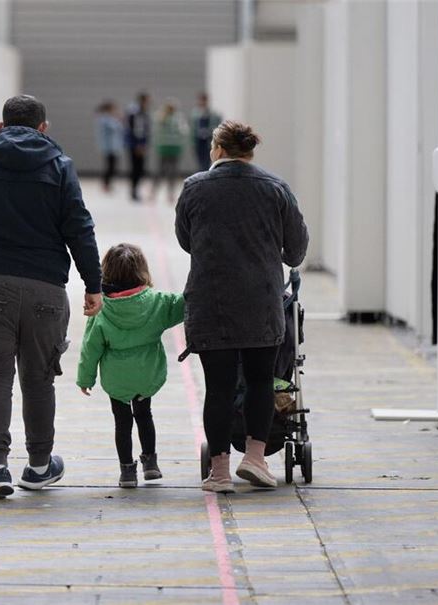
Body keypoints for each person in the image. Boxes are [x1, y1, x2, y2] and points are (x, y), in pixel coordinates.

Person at [0, 94, 103, 499]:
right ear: (43, 128)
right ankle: (40, 466)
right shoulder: (59, 166)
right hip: (45, 288)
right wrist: (93, 285)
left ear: (0, 126)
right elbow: (79, 228)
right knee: (38, 379)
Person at [175, 121, 309, 493]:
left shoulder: (194, 188)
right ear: (250, 151)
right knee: (260, 381)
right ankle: (255, 458)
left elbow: (186, 240)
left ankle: (218, 472)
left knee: (218, 387)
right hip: (261, 301)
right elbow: (296, 250)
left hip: (210, 301)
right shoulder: (276, 189)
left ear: (217, 148)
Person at [76, 244, 184, 488]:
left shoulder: (102, 309)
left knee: (122, 422)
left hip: (117, 378)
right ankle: (151, 463)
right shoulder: (157, 301)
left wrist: (85, 379)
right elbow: (183, 304)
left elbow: (90, 348)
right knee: (145, 415)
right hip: (147, 373)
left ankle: (126, 471)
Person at [150, 99, 188, 203]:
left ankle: (158, 192)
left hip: (168, 147)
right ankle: (163, 193)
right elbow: (184, 131)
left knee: (164, 171)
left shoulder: (162, 117)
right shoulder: (174, 118)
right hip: (171, 147)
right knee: (168, 171)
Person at [125, 92, 151, 202]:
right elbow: (134, 130)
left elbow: (146, 131)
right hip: (134, 145)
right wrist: (137, 145)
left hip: (141, 145)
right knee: (135, 168)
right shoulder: (134, 113)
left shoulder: (145, 113)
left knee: (140, 169)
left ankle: (136, 189)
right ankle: (133, 190)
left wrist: (144, 144)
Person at [94, 100, 124, 192]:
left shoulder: (108, 118)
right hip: (109, 147)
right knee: (110, 166)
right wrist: (118, 119)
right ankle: (106, 184)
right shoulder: (105, 118)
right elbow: (116, 127)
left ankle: (108, 184)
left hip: (113, 147)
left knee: (112, 166)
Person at [190, 92, 221, 173]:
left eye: (204, 100)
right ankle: (201, 175)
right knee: (199, 161)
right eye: (200, 100)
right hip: (198, 141)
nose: (202, 102)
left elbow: (217, 124)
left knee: (207, 161)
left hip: (208, 141)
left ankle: (205, 175)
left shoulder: (212, 114)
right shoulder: (195, 113)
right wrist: (192, 142)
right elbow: (192, 129)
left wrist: (209, 131)